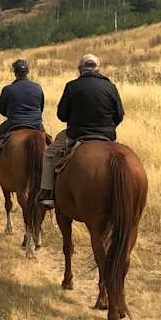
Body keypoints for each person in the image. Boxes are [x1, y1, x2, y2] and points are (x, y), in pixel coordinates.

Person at [38, 54, 124, 208]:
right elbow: (119, 115)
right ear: (98, 69)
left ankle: (48, 192)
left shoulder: (72, 86)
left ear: (80, 69)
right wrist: (108, 128)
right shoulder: (111, 86)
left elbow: (62, 115)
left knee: (48, 154)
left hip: (76, 134)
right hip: (107, 135)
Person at [0, 59, 45, 190]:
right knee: (50, 145)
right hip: (36, 124)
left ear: (15, 73)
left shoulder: (8, 89)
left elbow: (1, 109)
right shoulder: (37, 87)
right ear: (27, 72)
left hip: (14, 123)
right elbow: (41, 107)